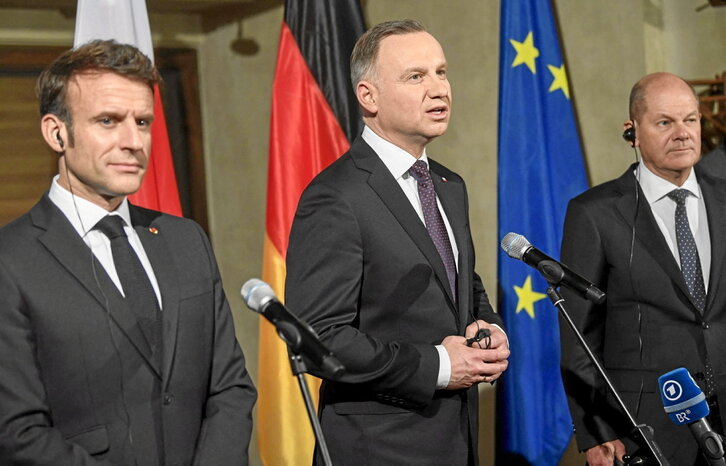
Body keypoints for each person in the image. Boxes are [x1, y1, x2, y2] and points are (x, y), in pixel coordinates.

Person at [0, 40, 256, 465]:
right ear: (56, 132)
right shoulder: (11, 260)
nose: (133, 141)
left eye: (142, 121)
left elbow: (229, 387)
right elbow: (16, 430)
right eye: (108, 121)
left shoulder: (185, 239)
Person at [285, 20, 509, 465]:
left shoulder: (448, 184)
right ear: (368, 96)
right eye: (415, 76)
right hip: (379, 447)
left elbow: (462, 284)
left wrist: (488, 326)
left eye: (441, 72)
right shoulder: (335, 196)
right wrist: (440, 366)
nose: (439, 89)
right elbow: (318, 339)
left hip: (457, 441)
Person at [560, 72, 726, 465]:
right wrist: (596, 431)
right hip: (645, 431)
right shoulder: (595, 213)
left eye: (691, 120)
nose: (683, 133)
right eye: (665, 122)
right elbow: (578, 336)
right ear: (632, 131)